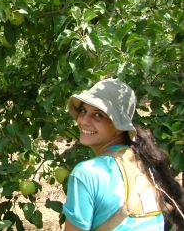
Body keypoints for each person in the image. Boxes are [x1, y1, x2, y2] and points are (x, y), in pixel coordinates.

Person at [63, 78, 184, 231]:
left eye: (98, 115)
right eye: (83, 111)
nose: (84, 120)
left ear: (119, 126)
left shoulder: (88, 173)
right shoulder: (148, 164)